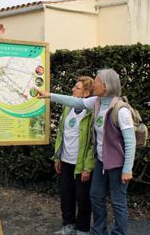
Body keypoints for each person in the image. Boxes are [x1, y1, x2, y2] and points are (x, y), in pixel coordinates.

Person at [37, 69, 136, 235]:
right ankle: (98, 231)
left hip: (118, 164)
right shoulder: (97, 101)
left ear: (105, 86)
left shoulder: (121, 109)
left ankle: (119, 233)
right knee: (96, 197)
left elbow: (130, 141)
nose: (94, 83)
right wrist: (48, 95)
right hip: (101, 162)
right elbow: (75, 102)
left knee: (118, 202)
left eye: (97, 81)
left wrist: (127, 169)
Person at [53, 76, 95, 235]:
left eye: (76, 88)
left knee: (83, 198)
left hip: (81, 164)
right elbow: (61, 133)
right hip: (65, 160)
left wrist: (88, 167)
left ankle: (83, 229)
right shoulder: (67, 107)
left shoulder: (91, 111)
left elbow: (93, 142)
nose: (72, 89)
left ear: (86, 93)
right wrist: (57, 157)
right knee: (66, 195)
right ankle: (68, 224)